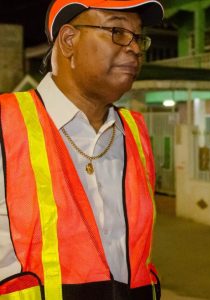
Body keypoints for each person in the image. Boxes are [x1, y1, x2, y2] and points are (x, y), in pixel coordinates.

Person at [0, 0, 164, 299]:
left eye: (138, 37)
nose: (136, 48)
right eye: (117, 31)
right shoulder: (5, 125)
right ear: (68, 41)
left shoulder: (135, 134)